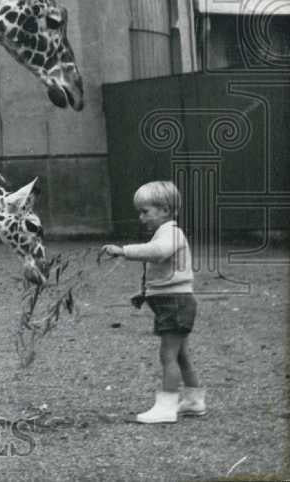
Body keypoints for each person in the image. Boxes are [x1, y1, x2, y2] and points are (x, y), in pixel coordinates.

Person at [102, 180, 205, 423]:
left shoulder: (171, 233)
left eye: (145, 211)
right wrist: (144, 293)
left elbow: (157, 252)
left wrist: (123, 251)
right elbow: (159, 272)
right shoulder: (164, 233)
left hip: (175, 303)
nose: (141, 218)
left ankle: (167, 406)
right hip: (172, 302)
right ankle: (193, 400)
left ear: (165, 211)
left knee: (167, 355)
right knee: (181, 355)